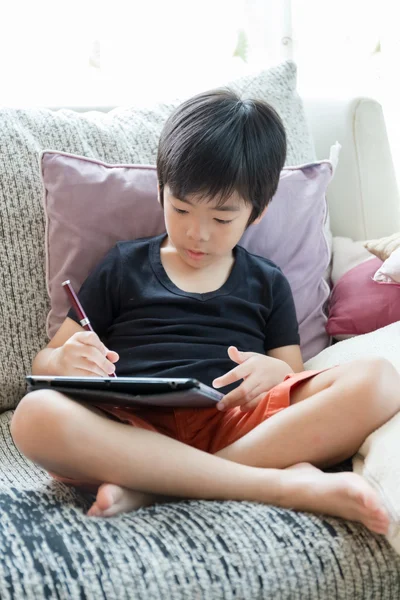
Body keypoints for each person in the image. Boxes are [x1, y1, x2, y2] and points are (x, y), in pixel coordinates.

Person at [10, 89, 399, 535]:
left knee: (380, 380)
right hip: (129, 429)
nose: (197, 234)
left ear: (257, 212)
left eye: (221, 219)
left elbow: (290, 371)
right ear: (161, 190)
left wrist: (271, 372)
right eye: (180, 209)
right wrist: (66, 360)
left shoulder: (267, 280)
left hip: (238, 423)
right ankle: (272, 485)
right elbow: (47, 361)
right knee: (35, 414)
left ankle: (156, 487)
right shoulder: (123, 264)